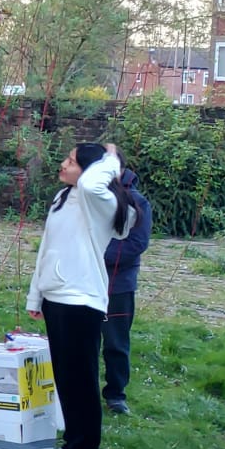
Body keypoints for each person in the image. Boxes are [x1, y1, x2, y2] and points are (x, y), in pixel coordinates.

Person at [27, 142, 134, 449]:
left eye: (71, 161)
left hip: (81, 300)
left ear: (90, 169)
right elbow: (48, 247)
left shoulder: (96, 200)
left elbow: (91, 183)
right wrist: (36, 295)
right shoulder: (64, 197)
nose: (62, 164)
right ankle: (73, 446)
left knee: (82, 381)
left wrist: (111, 159)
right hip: (56, 296)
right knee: (66, 379)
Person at [101, 163, 153, 415]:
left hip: (117, 286)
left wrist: (94, 255)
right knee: (82, 343)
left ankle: (115, 395)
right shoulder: (87, 198)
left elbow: (136, 244)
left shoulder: (138, 203)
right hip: (81, 283)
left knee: (115, 343)